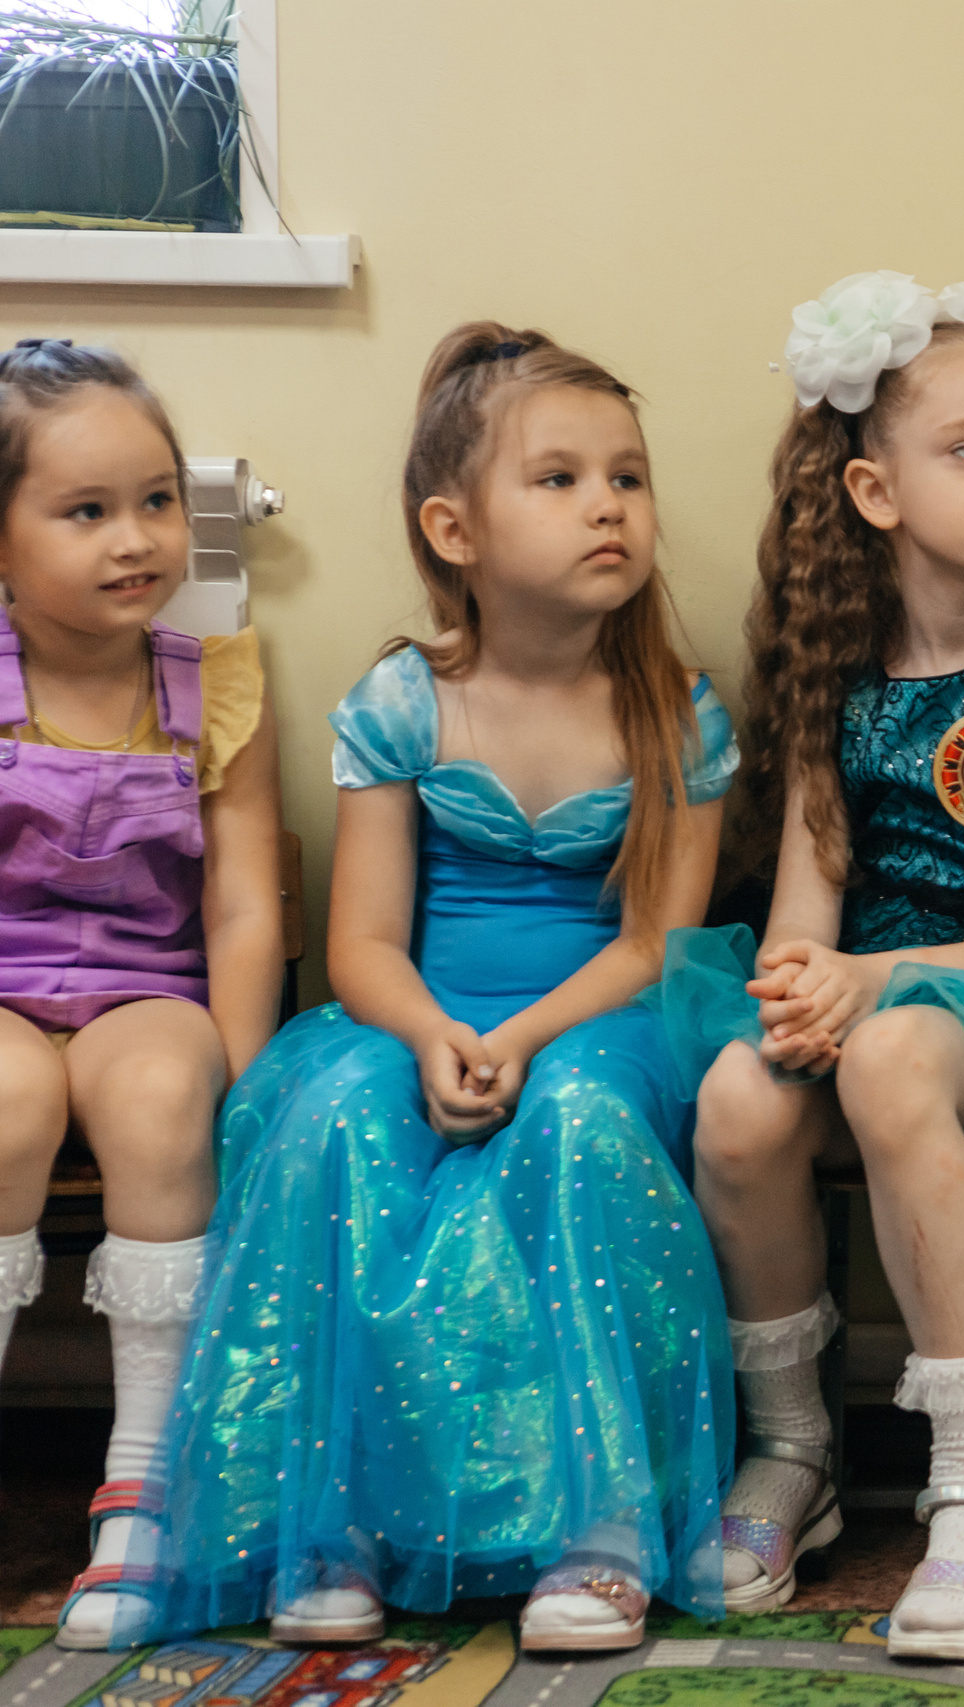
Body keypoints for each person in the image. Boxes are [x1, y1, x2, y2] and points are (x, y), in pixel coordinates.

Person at [133, 325, 738, 1653]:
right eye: (562, 478)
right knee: (341, 1117)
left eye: (627, 479)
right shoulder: (403, 699)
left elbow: (654, 946)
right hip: (418, 1005)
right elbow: (361, 944)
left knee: (576, 1125)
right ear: (454, 528)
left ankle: (603, 1522)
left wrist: (516, 1038)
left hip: (604, 1019)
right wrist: (428, 1034)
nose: (608, 507)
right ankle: (343, 1516)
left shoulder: (678, 712)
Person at [657, 272, 964, 1649]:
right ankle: (795, 1447)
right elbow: (802, 910)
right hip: (864, 996)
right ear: (876, 492)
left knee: (886, 1056)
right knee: (739, 1099)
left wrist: (869, 989)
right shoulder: (839, 671)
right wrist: (800, 984)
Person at [0, 340, 283, 1651]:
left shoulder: (217, 681)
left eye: (160, 499)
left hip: (140, 991)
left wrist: (252, 1077)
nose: (138, 537)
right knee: (0, 1105)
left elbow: (238, 905)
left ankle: (147, 1471)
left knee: (170, 1095)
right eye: (87, 510)